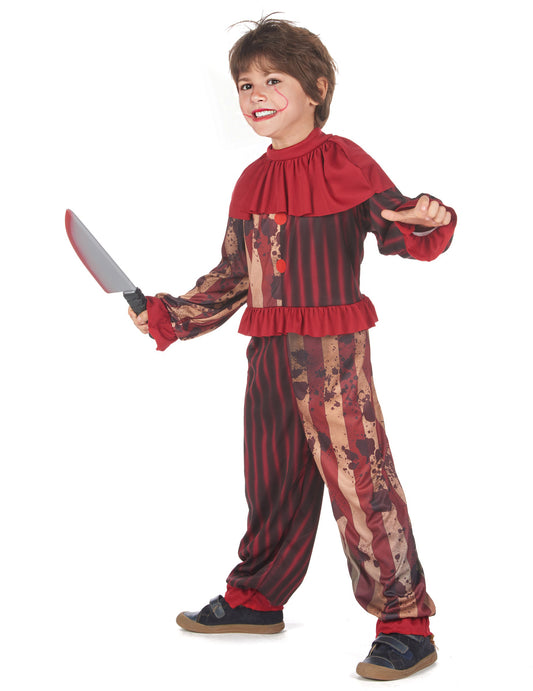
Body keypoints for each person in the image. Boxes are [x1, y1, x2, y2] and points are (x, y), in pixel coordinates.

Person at [129, 16, 456, 681]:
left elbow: (396, 225)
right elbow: (234, 275)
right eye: (245, 84)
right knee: (271, 476)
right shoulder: (250, 181)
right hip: (269, 354)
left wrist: (427, 218)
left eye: (273, 80)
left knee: (360, 480)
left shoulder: (347, 163)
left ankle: (404, 622)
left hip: (334, 355)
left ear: (317, 87)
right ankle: (257, 596)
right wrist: (170, 315)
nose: (256, 95)